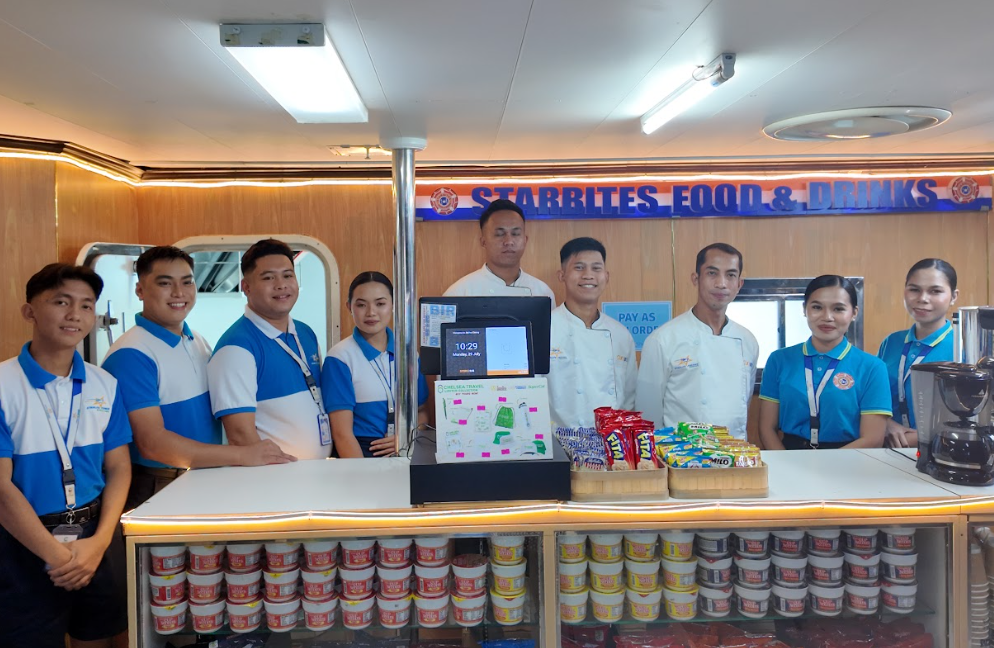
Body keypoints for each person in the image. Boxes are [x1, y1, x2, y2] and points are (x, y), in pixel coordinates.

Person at [102, 246, 295, 509]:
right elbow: (152, 444)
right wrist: (242, 454)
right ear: (140, 290)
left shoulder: (196, 340)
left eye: (187, 282)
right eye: (165, 283)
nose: (178, 293)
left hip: (201, 474)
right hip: (160, 483)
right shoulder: (131, 354)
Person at [0, 263, 131, 648]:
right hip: (22, 542)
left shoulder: (104, 383)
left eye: (86, 305)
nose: (75, 314)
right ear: (30, 311)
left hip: (94, 536)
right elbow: (1, 490)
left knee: (98, 637)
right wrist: (58, 557)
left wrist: (99, 543)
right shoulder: (4, 386)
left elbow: (119, 468)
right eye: (61, 302)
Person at [208, 239, 329, 460]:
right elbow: (240, 435)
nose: (281, 285)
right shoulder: (236, 347)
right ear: (246, 287)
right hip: (275, 476)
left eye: (288, 275)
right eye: (268, 277)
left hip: (315, 472)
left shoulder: (305, 333)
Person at [635, 243, 759, 439]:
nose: (721, 283)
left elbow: (745, 403)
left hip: (735, 451)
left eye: (730, 275)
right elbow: (648, 416)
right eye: (712, 273)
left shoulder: (748, 341)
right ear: (696, 279)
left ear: (739, 284)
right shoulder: (663, 340)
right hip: (681, 454)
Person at [759, 275, 892, 450]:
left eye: (838, 309)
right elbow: (766, 428)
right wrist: (784, 464)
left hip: (850, 459)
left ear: (854, 313)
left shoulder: (872, 367)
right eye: (817, 307)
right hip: (789, 455)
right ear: (804, 309)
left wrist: (825, 464)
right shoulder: (779, 360)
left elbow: (873, 438)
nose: (827, 317)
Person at [322, 272, 429, 457]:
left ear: (393, 305)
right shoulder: (339, 358)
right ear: (349, 307)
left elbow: (422, 412)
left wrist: (406, 438)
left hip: (406, 448)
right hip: (362, 451)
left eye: (380, 304)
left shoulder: (409, 353)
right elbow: (342, 434)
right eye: (361, 305)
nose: (371, 312)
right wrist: (362, 472)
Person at [547, 237, 637, 430]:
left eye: (596, 268)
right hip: (557, 443)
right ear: (562, 275)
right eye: (579, 268)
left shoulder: (620, 334)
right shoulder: (544, 328)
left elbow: (629, 398)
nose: (588, 275)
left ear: (606, 276)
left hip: (611, 443)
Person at [877, 259, 958, 448]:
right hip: (887, 449)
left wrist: (920, 438)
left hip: (945, 451)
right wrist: (886, 425)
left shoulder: (962, 347)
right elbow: (873, 398)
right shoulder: (891, 342)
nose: (923, 298)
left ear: (954, 296)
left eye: (935, 291)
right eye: (914, 289)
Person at [443, 199, 556, 301]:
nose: (509, 241)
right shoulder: (459, 293)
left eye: (515, 233)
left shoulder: (542, 292)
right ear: (483, 242)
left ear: (525, 240)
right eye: (499, 234)